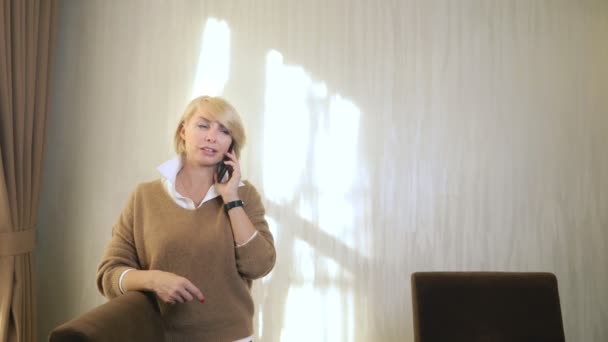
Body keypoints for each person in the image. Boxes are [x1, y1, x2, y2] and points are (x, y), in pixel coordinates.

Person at [96, 96, 276, 341]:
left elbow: (259, 265)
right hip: (161, 337)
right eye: (203, 126)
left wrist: (231, 198)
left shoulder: (245, 195)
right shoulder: (145, 197)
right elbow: (109, 275)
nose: (212, 137)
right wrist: (154, 279)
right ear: (183, 131)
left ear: (231, 145)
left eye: (224, 131)